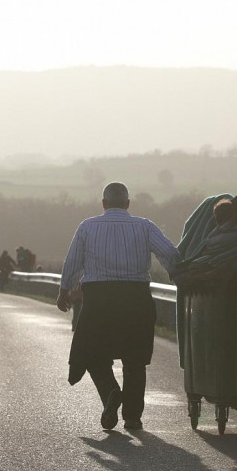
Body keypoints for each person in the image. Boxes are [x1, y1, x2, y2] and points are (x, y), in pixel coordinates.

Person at [57, 182, 181, 431]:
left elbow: (73, 262)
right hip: (136, 298)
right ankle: (133, 417)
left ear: (104, 204)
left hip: (99, 299)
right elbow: (170, 253)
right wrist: (176, 274)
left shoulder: (87, 226)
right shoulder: (145, 226)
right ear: (127, 204)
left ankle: (111, 391)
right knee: (135, 359)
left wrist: (64, 291)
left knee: (93, 353)